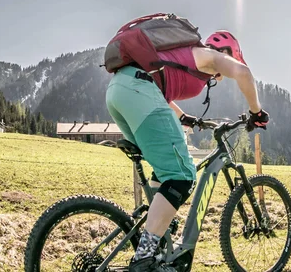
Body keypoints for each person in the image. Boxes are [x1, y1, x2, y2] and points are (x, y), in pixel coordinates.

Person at [105, 30, 269, 271]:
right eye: (232, 58)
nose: (226, 71)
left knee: (165, 171)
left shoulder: (185, 57)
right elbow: (244, 73)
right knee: (182, 176)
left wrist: (185, 118)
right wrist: (257, 112)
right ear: (228, 53)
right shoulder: (209, 56)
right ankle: (144, 257)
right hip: (138, 90)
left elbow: (161, 92)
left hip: (118, 90)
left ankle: (156, 237)